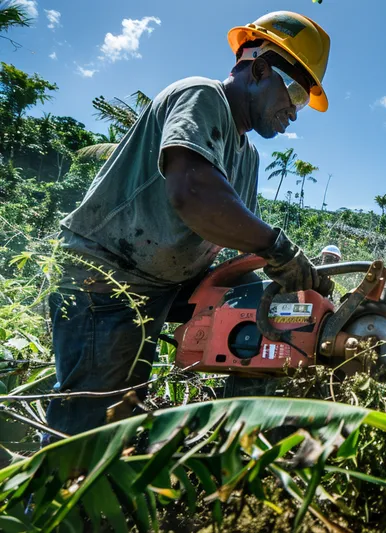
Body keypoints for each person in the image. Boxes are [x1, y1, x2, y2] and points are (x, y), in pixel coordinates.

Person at [46, 11, 331, 438]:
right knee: (90, 426)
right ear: (258, 69)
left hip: (163, 282)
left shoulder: (247, 156)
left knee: (127, 411)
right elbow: (194, 195)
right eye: (294, 91)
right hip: (106, 275)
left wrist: (293, 295)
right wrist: (279, 248)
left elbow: (237, 243)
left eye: (304, 101)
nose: (294, 111)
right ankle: (49, 494)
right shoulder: (202, 97)